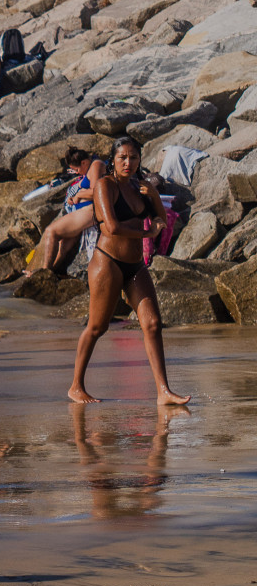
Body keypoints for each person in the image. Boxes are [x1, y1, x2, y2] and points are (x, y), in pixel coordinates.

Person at [67, 138, 189, 406]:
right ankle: (76, 386)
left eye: (133, 157)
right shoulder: (105, 186)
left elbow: (160, 217)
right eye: (122, 157)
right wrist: (147, 232)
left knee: (153, 324)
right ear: (113, 159)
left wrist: (153, 196)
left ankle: (163, 392)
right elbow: (111, 227)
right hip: (107, 262)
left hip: (135, 266)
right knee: (97, 327)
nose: (128, 163)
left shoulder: (140, 186)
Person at [28, 151, 108, 275]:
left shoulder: (96, 165)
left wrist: (79, 195)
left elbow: (96, 191)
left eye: (76, 169)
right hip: (83, 210)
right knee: (63, 244)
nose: (76, 173)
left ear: (84, 162)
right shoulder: (91, 166)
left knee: (51, 231)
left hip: (89, 210)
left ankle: (43, 272)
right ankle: (51, 272)